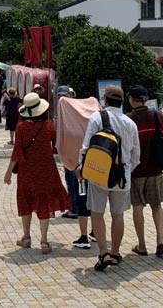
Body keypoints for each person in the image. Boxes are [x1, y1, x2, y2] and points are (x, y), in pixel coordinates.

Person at [78, 85, 140, 271]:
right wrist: (127, 169)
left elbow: (87, 145)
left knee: (97, 213)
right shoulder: (130, 123)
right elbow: (136, 155)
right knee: (117, 214)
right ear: (123, 101)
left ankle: (103, 252)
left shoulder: (97, 117)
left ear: (104, 100)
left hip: (99, 172)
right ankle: (114, 252)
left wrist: (82, 166)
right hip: (122, 176)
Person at [3, 93, 70, 254]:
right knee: (44, 202)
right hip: (47, 169)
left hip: (27, 171)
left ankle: (26, 237)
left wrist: (8, 172)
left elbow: (17, 152)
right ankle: (44, 241)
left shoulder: (21, 128)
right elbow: (56, 146)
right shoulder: (48, 126)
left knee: (25, 200)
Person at [126, 86, 163, 256]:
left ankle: (142, 245)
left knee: (138, 206)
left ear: (132, 99)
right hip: (155, 169)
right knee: (156, 205)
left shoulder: (128, 119)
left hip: (135, 170)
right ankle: (160, 241)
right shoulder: (156, 115)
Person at [54, 85, 94, 248]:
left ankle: (85, 230)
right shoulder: (72, 110)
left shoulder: (71, 108)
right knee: (79, 188)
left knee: (81, 191)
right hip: (80, 155)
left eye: (64, 95)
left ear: (72, 93)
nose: (62, 98)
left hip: (81, 157)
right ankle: (78, 212)